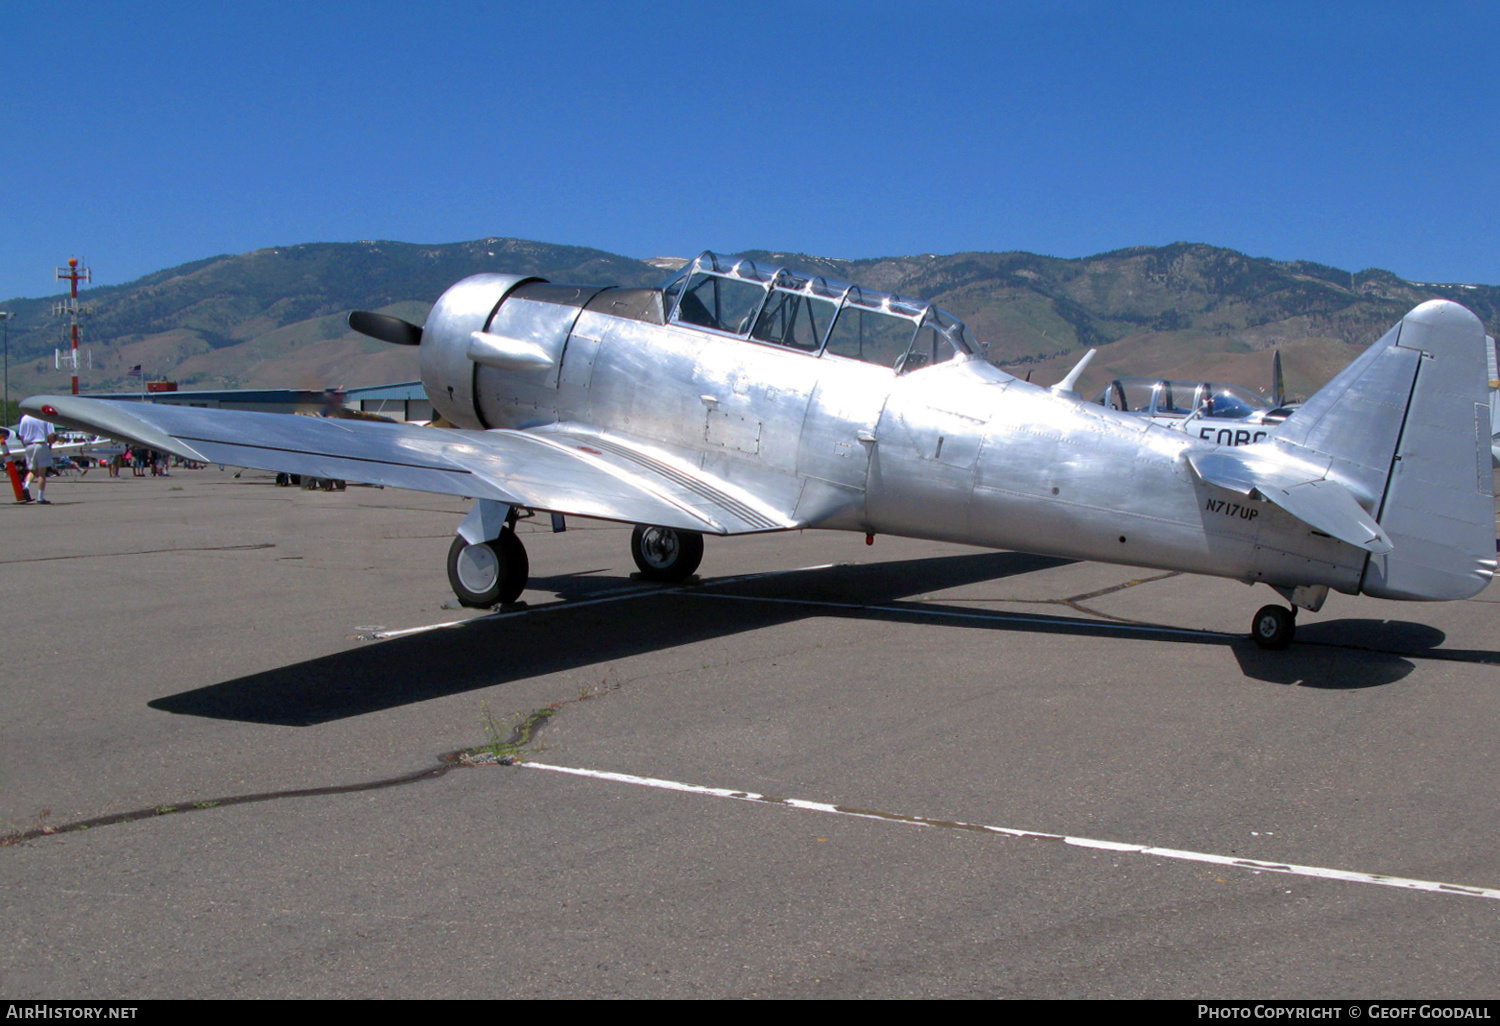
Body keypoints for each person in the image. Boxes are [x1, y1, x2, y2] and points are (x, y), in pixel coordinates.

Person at [18, 412, 56, 504]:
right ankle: (40, 497)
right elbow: (51, 435)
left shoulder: (25, 418)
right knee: (42, 473)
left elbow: (21, 435)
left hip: (29, 445)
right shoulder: (45, 418)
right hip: (41, 444)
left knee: (32, 470)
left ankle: (26, 486)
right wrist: (50, 445)